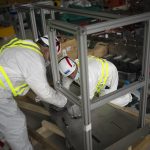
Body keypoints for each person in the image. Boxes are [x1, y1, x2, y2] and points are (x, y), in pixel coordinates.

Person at [0, 35, 67, 150]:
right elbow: (45, 93)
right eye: (51, 57)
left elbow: (24, 71)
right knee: (16, 125)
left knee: (4, 121)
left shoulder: (24, 47)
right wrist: (62, 101)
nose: (48, 60)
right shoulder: (34, 59)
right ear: (46, 50)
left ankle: (2, 139)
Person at [58, 56, 132, 113]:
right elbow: (65, 86)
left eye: (73, 73)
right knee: (97, 94)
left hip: (109, 74)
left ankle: (128, 97)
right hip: (98, 74)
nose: (72, 76)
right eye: (69, 75)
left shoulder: (88, 75)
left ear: (75, 66)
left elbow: (86, 99)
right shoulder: (69, 69)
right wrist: (63, 101)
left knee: (106, 102)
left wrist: (74, 108)